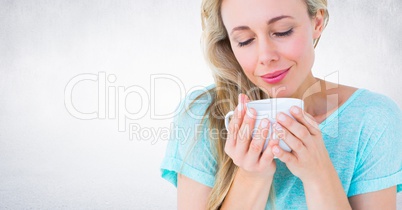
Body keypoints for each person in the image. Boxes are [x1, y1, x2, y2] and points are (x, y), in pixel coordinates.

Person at [160, 0, 402, 209]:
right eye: (244, 41)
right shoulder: (202, 114)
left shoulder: (373, 120)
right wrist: (251, 178)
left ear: (317, 22)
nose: (266, 56)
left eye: (282, 31)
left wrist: (319, 175)